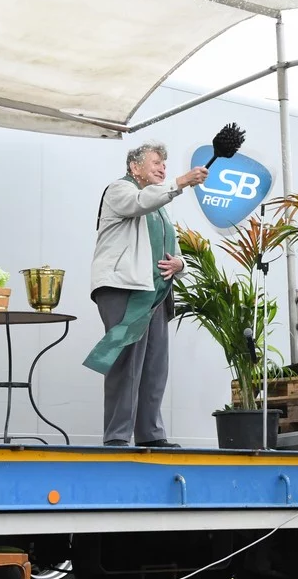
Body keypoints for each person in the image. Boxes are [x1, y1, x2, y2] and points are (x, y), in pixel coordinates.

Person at [84, 142, 208, 447]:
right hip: (124, 288)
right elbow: (139, 202)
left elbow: (174, 251)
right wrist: (179, 182)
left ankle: (150, 435)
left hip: (155, 293)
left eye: (165, 164)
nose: (162, 168)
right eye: (156, 162)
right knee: (126, 361)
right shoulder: (120, 190)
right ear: (134, 167)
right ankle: (116, 436)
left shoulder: (160, 209)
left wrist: (180, 264)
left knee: (154, 366)